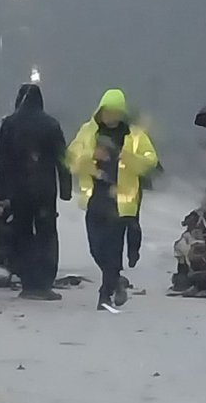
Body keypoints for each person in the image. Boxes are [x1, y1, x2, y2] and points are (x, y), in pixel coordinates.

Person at [67, 89, 158, 311]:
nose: (112, 116)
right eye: (108, 112)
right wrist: (90, 158)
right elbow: (71, 158)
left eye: (116, 112)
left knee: (113, 249)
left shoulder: (134, 135)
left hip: (122, 202)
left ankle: (105, 294)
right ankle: (116, 280)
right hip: (96, 198)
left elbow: (151, 161)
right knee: (96, 248)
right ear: (101, 110)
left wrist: (127, 158)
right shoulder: (88, 132)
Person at [0, 83, 73, 301]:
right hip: (44, 190)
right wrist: (66, 188)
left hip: (19, 190)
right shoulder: (51, 124)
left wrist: (1, 189)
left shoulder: (9, 124)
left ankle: (27, 281)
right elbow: (63, 160)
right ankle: (44, 282)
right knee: (46, 235)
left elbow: (0, 159)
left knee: (22, 233)